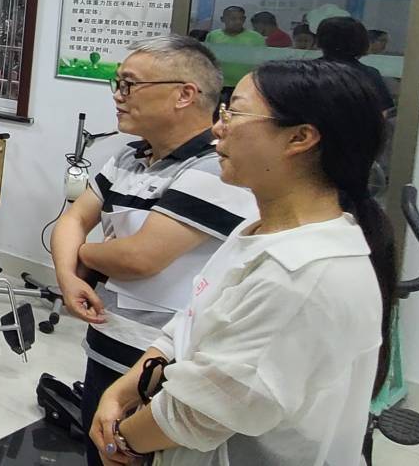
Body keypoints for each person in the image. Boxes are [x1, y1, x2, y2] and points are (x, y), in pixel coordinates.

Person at [90, 59, 397, 465]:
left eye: (234, 113)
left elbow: (197, 413)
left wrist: (121, 443)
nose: (218, 128)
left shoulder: (301, 275)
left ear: (299, 138)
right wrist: (121, 391)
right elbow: (191, 321)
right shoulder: (258, 230)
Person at [51, 36, 258, 466]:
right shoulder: (129, 157)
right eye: (118, 83)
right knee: (98, 450)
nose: (118, 95)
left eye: (130, 85)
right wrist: (69, 279)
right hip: (108, 340)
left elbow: (140, 258)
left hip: (162, 361)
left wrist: (83, 256)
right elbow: (72, 220)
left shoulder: (215, 168)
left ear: (184, 94)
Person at [315, 16, 393, 112]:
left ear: (319, 40)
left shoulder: (304, 71)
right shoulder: (369, 74)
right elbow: (382, 110)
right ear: (363, 42)